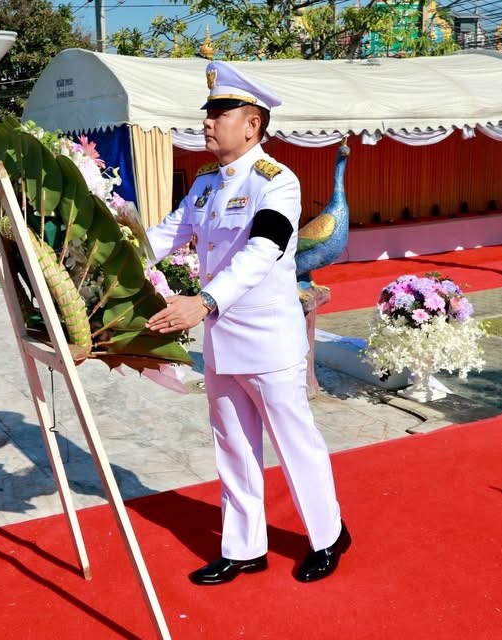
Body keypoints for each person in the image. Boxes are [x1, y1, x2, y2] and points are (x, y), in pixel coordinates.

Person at [145, 61, 348, 585]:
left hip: (267, 341)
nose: (207, 122)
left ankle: (328, 536)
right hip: (222, 342)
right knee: (233, 445)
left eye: (219, 113)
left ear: (252, 124)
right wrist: (108, 249)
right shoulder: (207, 184)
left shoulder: (276, 183)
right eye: (208, 113)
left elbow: (263, 250)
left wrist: (204, 301)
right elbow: (166, 234)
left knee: (294, 443)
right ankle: (244, 547)